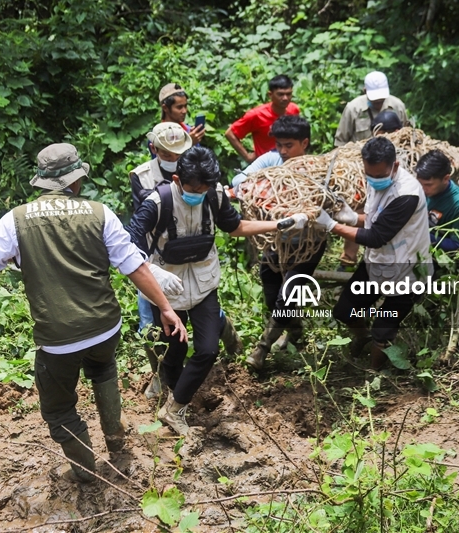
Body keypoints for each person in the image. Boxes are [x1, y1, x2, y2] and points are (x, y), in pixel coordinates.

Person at [0, 143, 188, 482]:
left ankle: (87, 473)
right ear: (75, 181)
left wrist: (14, 256)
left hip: (58, 338)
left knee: (59, 409)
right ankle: (116, 440)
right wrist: (165, 308)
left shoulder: (16, 220)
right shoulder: (100, 213)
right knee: (103, 370)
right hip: (105, 326)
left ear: (41, 182)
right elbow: (134, 266)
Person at [128, 146, 307, 434]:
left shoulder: (214, 195)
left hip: (203, 285)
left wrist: (278, 225)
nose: (198, 193)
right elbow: (128, 247)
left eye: (204, 188)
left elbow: (234, 227)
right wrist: (156, 275)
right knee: (174, 354)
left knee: (208, 349)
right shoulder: (156, 203)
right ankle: (176, 396)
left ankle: (174, 409)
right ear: (177, 181)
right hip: (166, 291)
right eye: (192, 188)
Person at [130, 123, 241, 399]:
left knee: (206, 344)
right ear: (154, 149)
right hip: (160, 270)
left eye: (178, 153)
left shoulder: (206, 184)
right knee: (157, 336)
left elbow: (234, 225)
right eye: (167, 154)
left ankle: (176, 401)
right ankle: (163, 380)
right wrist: (150, 270)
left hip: (200, 277)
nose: (172, 158)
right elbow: (135, 236)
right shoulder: (148, 183)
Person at [317, 137, 433, 371]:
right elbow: (375, 218)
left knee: (383, 327)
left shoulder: (406, 194)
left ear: (395, 166)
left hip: (405, 272)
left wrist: (333, 226)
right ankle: (362, 338)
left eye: (379, 175)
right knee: (345, 310)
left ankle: (373, 373)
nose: (374, 179)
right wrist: (354, 219)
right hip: (377, 262)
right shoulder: (377, 180)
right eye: (370, 174)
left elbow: (376, 236)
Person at [230, 115, 328, 369]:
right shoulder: (272, 160)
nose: (283, 151)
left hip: (309, 243)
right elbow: (239, 181)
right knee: (271, 286)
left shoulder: (319, 170)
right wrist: (267, 191)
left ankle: (262, 348)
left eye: (289, 146)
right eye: (279, 145)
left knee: (288, 293)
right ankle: (295, 332)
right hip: (278, 239)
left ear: (304, 143)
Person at [225, 74, 301, 163]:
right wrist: (247, 157)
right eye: (280, 94)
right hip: (266, 166)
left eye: (288, 94)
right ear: (270, 94)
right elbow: (230, 133)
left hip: (289, 163)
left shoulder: (294, 110)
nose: (285, 98)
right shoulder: (256, 115)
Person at [415, 150, 459, 252]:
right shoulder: (419, 189)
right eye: (420, 184)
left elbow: (458, 244)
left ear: (445, 179)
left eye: (428, 185)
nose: (422, 189)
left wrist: (423, 235)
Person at [334, 71, 410, 146]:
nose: (379, 103)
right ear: (365, 91)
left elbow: (406, 135)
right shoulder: (353, 109)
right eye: (375, 101)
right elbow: (341, 141)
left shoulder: (398, 106)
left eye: (381, 100)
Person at [154, 82, 205, 151]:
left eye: (185, 106)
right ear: (165, 108)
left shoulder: (189, 132)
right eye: (179, 107)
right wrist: (188, 143)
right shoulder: (157, 137)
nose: (184, 111)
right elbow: (165, 161)